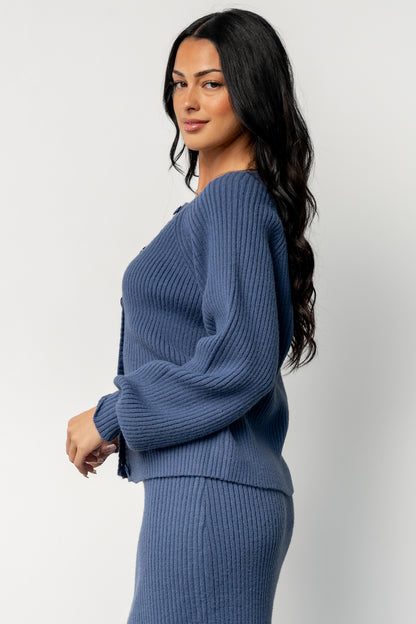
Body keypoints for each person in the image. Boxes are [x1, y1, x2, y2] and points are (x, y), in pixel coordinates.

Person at [66, 7, 317, 623]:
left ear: (251, 91)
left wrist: (112, 414)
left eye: (212, 83)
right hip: (208, 487)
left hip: (211, 493)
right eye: (180, 82)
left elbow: (238, 362)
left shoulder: (232, 203)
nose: (189, 100)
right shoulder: (221, 206)